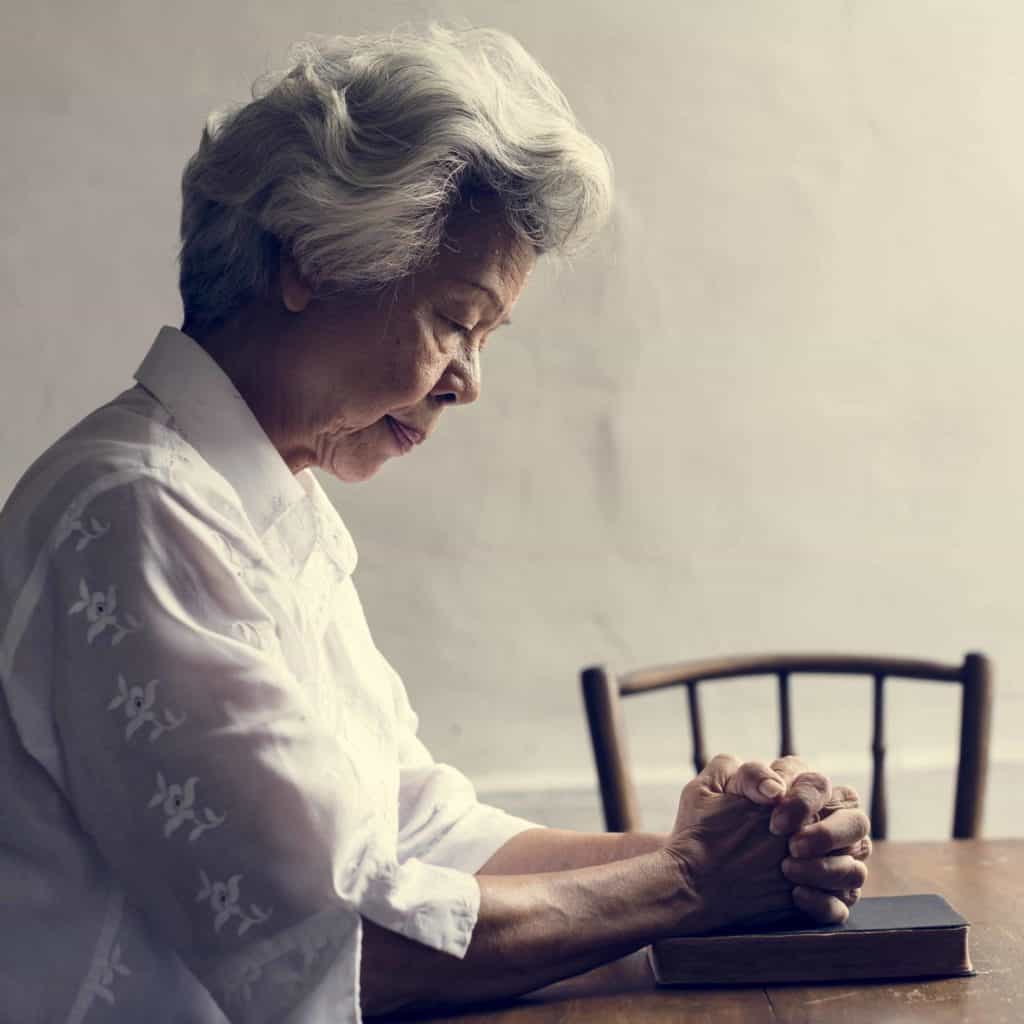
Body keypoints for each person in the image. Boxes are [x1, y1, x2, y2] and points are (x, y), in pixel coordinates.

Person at [0, 23, 870, 1023]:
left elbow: (420, 835)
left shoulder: (258, 503)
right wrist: (686, 885)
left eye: (487, 335)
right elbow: (339, 942)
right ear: (311, 264)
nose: (470, 383)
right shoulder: (138, 510)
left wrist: (729, 851)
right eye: (454, 321)